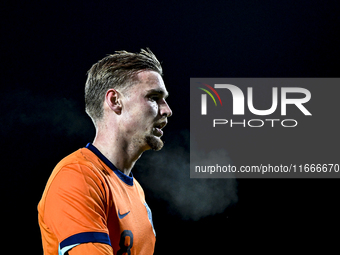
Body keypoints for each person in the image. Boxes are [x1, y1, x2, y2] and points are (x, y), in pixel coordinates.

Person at [38, 48, 172, 255]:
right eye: (154, 98)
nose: (167, 110)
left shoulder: (136, 190)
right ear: (115, 101)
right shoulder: (77, 176)